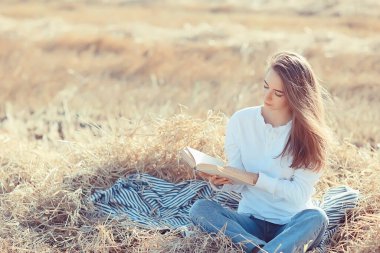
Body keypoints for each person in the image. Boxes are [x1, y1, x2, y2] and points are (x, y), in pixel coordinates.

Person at [189, 51, 331, 253]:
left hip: (290, 225)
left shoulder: (311, 136)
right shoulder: (241, 121)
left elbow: (299, 195)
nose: (267, 96)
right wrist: (221, 181)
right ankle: (259, 250)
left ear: (295, 96)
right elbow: (238, 182)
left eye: (278, 93)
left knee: (317, 218)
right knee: (201, 209)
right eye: (266, 86)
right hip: (250, 222)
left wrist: (257, 179)